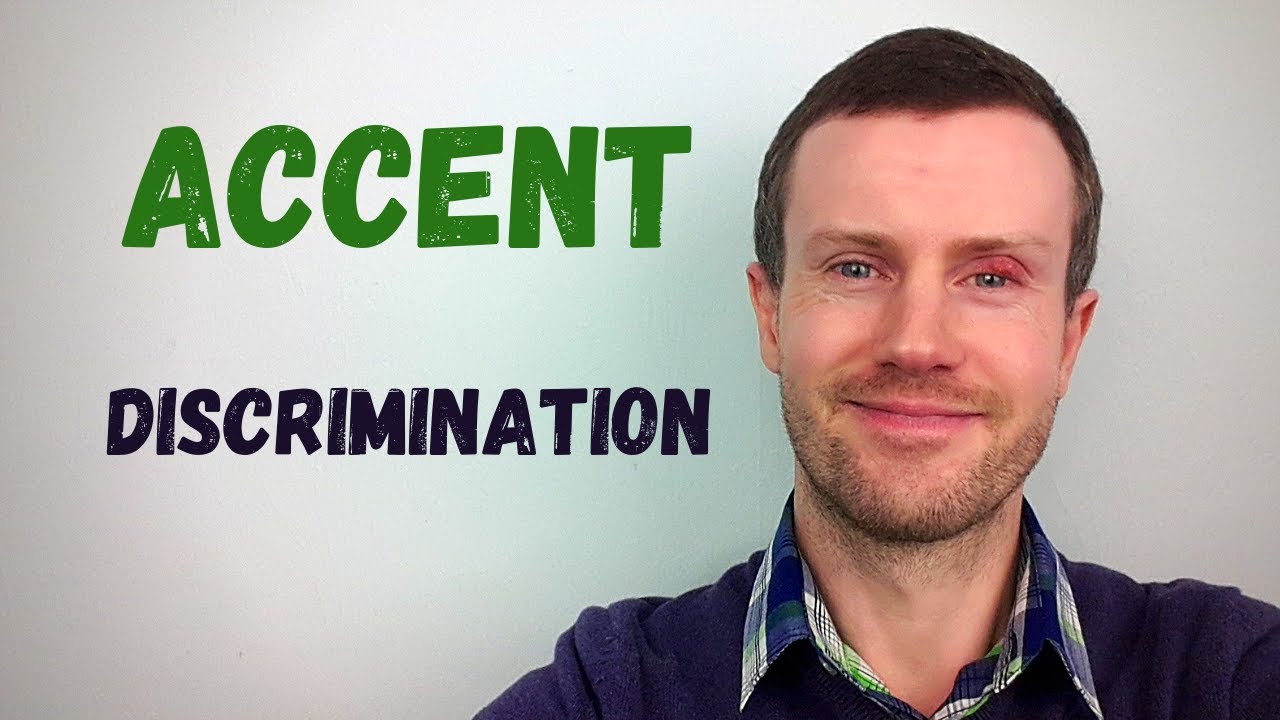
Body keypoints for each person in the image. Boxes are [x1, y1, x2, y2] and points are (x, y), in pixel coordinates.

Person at [475, 27, 1280, 720]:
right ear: (770, 316)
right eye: (856, 268)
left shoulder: (1228, 677)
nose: (917, 343)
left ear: (1070, 341)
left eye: (991, 277)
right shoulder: (610, 694)